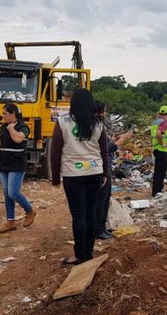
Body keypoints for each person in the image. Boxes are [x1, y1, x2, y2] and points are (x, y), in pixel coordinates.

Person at [51, 88, 109, 265]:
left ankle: (79, 255)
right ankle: (88, 253)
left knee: (79, 215)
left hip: (73, 175)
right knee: (91, 213)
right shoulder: (98, 124)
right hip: (95, 173)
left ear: (72, 103)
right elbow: (104, 152)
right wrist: (105, 173)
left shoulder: (62, 122)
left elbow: (55, 152)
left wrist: (55, 177)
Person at [94, 101, 132, 240]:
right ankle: (98, 230)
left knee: (105, 199)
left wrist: (114, 139)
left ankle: (102, 228)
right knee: (100, 200)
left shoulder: (99, 126)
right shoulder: (95, 127)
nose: (105, 114)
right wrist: (120, 141)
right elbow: (105, 149)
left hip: (106, 168)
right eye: (103, 111)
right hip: (101, 169)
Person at [0, 103, 36, 233]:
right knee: (6, 193)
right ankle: (10, 221)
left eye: (4, 114)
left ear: (13, 113)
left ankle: (29, 210)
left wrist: (11, 129)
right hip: (4, 163)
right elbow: (2, 141)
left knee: (13, 192)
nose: (2, 116)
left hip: (17, 163)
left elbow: (18, 139)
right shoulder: (3, 126)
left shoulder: (22, 126)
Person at [150, 105, 167, 197]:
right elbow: (159, 133)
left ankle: (155, 191)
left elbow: (154, 133)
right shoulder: (163, 122)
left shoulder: (155, 122)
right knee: (161, 171)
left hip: (156, 149)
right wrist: (162, 143)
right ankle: (158, 191)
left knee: (157, 171)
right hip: (162, 150)